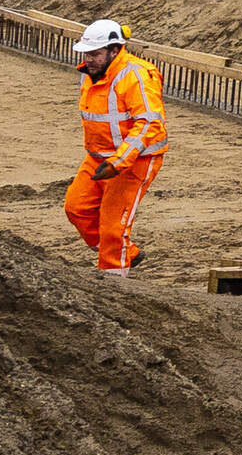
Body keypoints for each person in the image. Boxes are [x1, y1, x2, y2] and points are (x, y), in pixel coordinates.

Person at [64, 18, 166, 275]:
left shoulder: (136, 75)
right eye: (86, 53)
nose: (89, 59)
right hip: (99, 157)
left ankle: (114, 281)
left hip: (135, 160)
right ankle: (126, 252)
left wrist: (119, 161)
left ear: (114, 49)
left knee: (113, 228)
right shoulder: (91, 75)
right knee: (77, 209)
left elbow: (149, 123)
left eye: (95, 54)